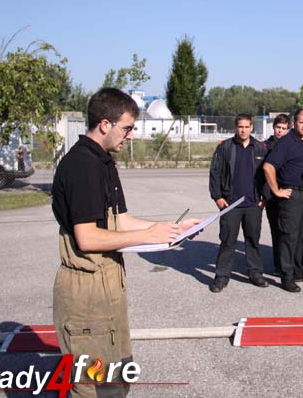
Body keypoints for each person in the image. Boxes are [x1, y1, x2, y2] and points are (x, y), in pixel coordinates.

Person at [51, 88, 202, 398]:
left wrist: (172, 230)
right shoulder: (81, 166)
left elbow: (120, 221)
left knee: (117, 376)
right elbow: (87, 237)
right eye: (127, 128)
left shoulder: (103, 162)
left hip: (107, 284)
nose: (131, 136)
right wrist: (149, 235)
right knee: (94, 387)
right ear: (105, 124)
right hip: (86, 290)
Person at [209, 113, 269, 292]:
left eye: (246, 127)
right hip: (230, 205)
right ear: (236, 127)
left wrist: (264, 198)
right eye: (240, 127)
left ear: (251, 127)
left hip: (253, 204)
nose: (243, 130)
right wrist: (218, 197)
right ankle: (221, 277)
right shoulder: (225, 147)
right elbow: (215, 172)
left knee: (253, 240)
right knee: (227, 241)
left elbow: (268, 174)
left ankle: (255, 273)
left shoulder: (260, 148)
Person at [263, 109, 303, 292]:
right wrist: (276, 190)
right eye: (301, 122)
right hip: (291, 196)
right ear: (294, 123)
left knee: (302, 235)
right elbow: (268, 166)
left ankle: (299, 270)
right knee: (289, 236)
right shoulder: (286, 142)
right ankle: (286, 276)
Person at [263, 113, 291, 276]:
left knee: (288, 232)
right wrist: (265, 196)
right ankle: (279, 265)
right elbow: (261, 174)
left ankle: (290, 264)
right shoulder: (265, 146)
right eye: (278, 127)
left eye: (284, 128)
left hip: (288, 194)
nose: (280, 131)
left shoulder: (291, 145)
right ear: (273, 128)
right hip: (272, 197)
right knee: (277, 231)